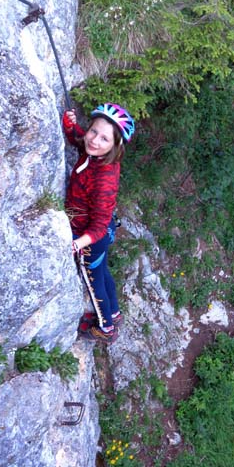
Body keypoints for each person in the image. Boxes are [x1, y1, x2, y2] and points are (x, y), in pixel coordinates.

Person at [62, 102, 135, 343]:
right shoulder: (97, 153)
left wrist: (76, 245)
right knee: (103, 274)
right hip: (99, 236)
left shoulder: (104, 177)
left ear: (115, 146)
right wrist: (70, 126)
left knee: (95, 285)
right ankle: (114, 314)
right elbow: (80, 140)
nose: (94, 140)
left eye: (104, 139)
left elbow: (99, 225)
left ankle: (106, 329)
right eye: (94, 131)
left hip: (91, 238)